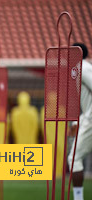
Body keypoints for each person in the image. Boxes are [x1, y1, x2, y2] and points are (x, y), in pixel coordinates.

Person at [68, 42, 92, 200]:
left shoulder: (81, 67)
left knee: (74, 158)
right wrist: (79, 121)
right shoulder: (84, 67)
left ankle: (78, 198)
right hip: (88, 117)